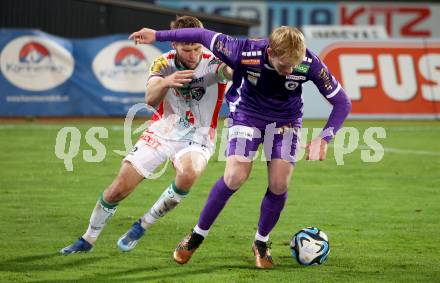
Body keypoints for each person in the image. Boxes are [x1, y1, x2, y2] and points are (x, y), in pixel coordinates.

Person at [129, 25, 352, 268]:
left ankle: (261, 242)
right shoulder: (244, 50)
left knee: (279, 183)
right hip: (246, 113)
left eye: (294, 65)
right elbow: (201, 35)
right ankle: (196, 235)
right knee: (235, 176)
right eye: (284, 65)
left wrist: (324, 138)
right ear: (270, 52)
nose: (290, 71)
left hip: (286, 120)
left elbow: (342, 102)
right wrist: (158, 36)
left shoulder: (308, 61)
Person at [60, 16, 233, 254]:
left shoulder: (213, 62)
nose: (193, 54)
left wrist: (239, 64)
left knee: (189, 174)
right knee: (118, 189)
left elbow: (230, 72)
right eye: (187, 49)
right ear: (174, 45)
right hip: (164, 129)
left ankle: (142, 225)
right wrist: (166, 82)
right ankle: (87, 239)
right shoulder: (163, 63)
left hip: (199, 135)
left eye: (197, 48)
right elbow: (150, 99)